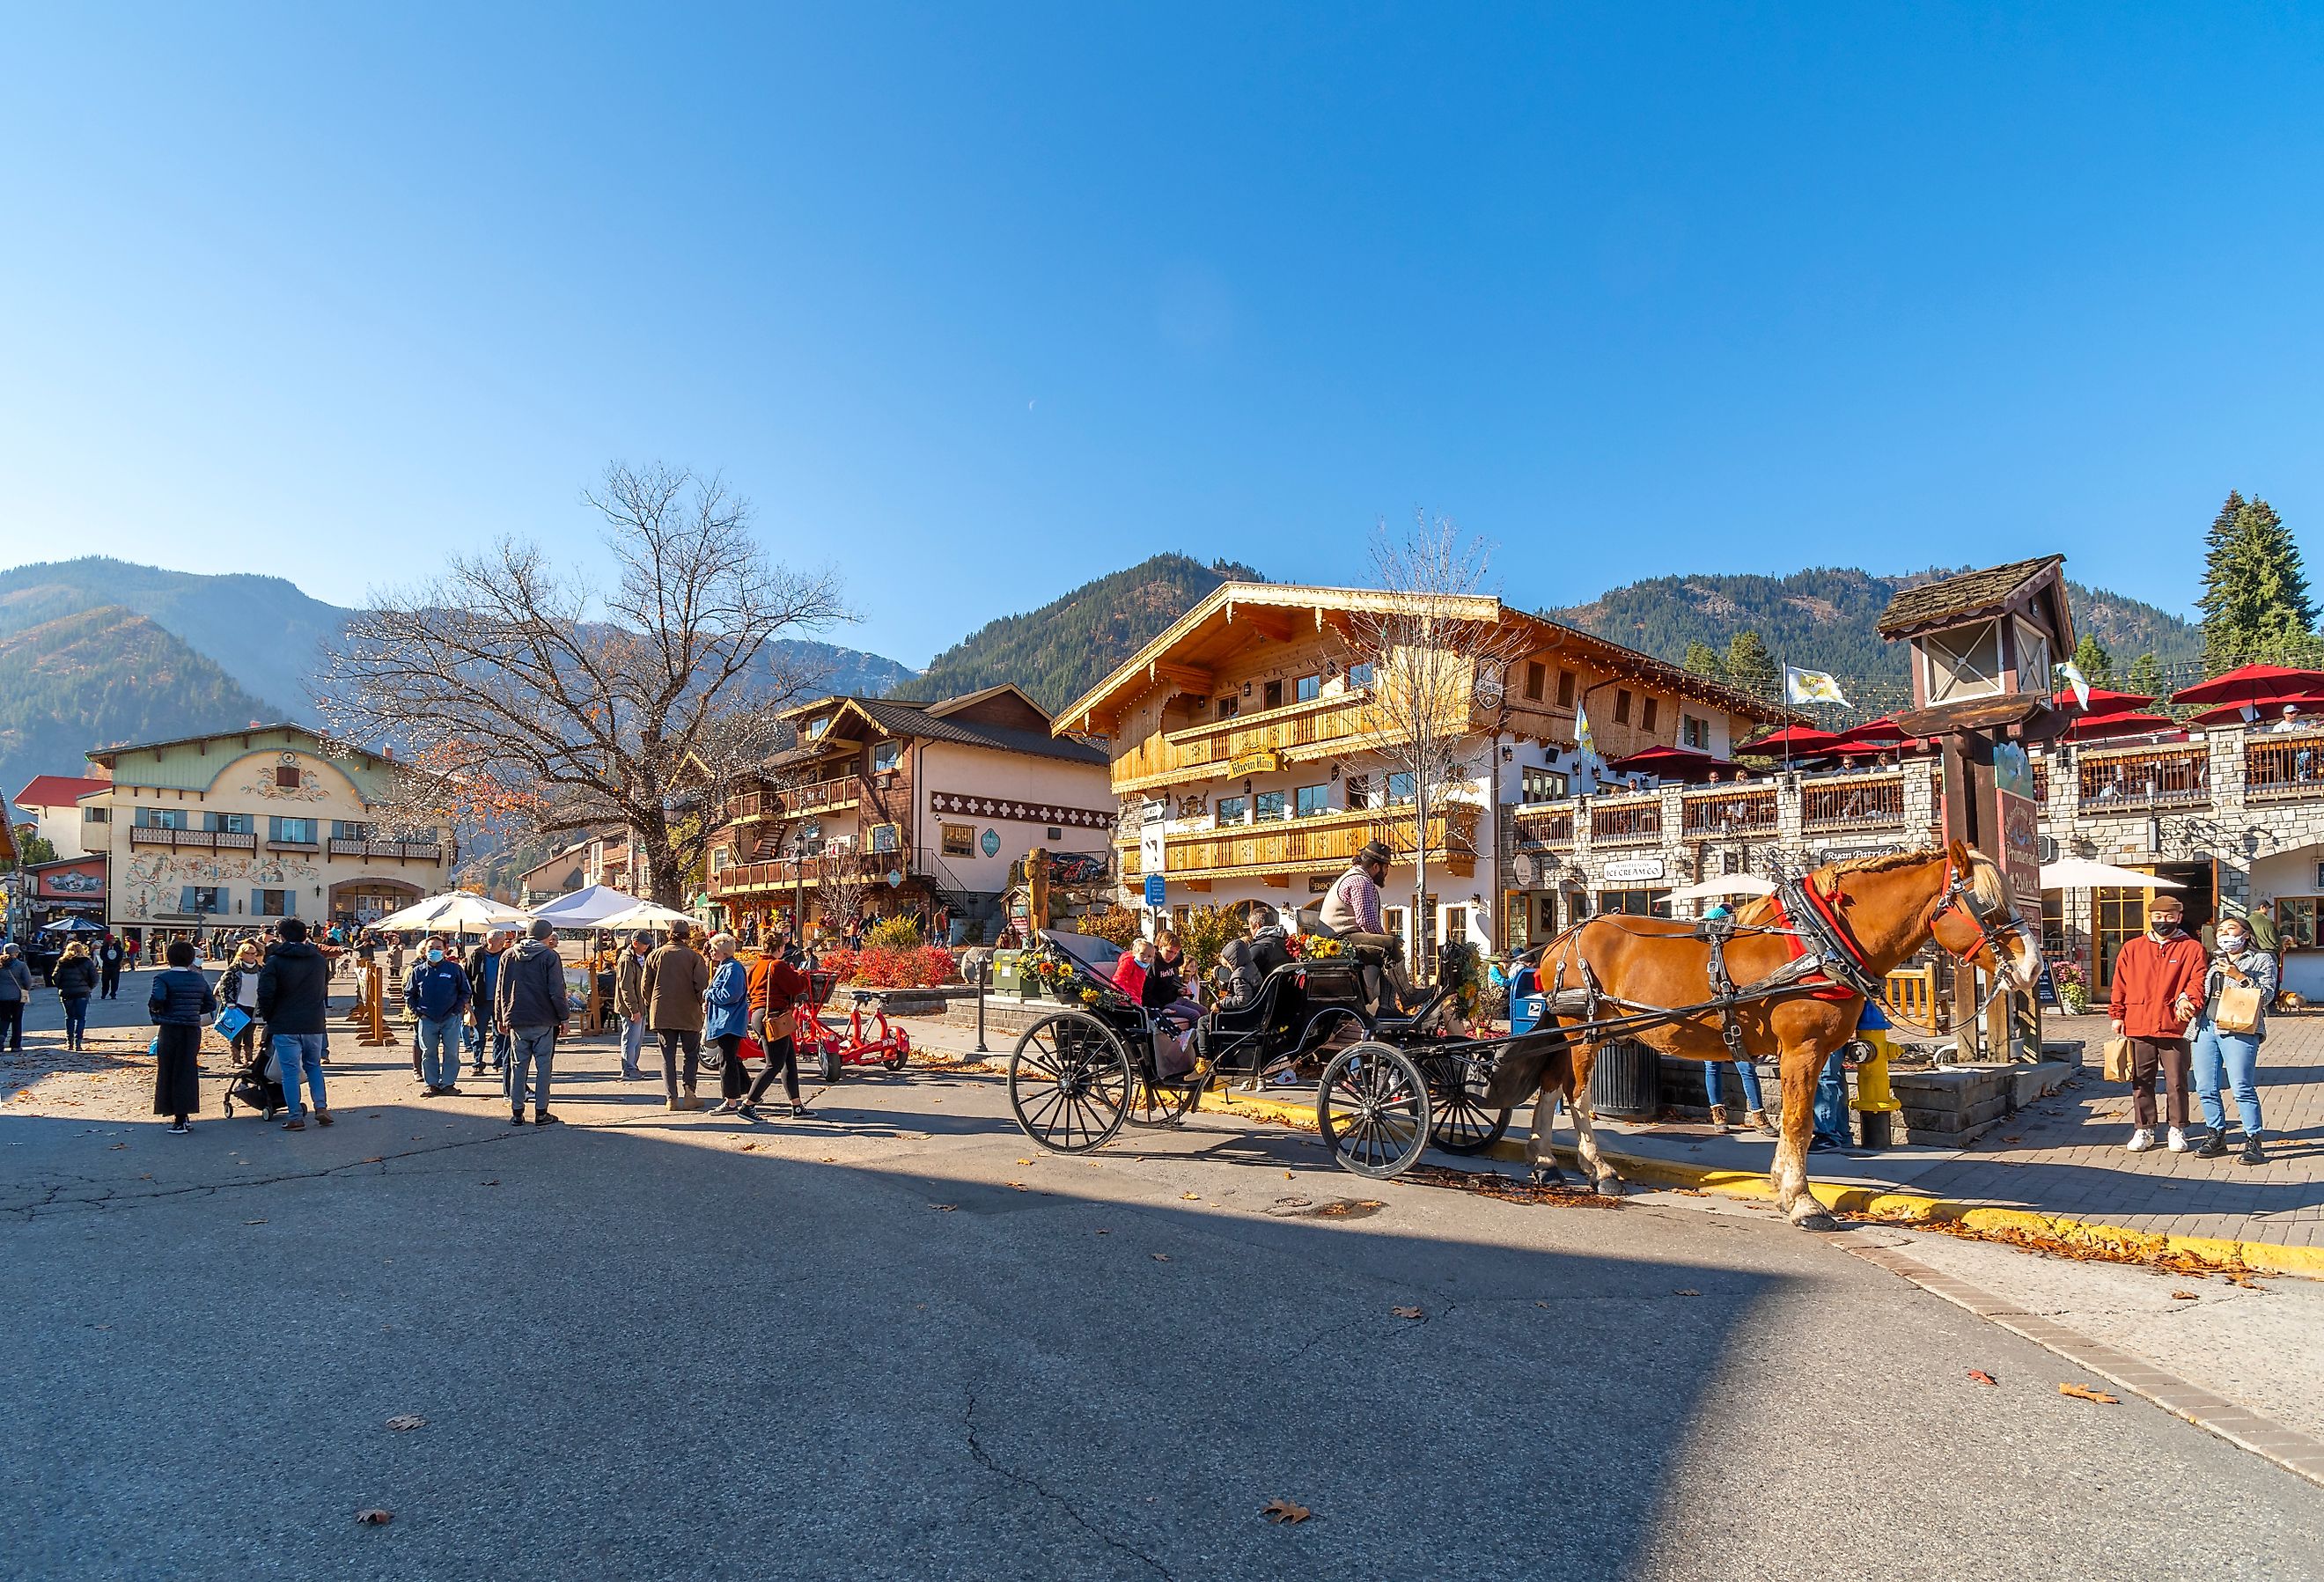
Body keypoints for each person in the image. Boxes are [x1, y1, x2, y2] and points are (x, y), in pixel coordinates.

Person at [2107, 894, 2208, 1153]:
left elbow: (2198, 981)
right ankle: (2144, 1129)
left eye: (2169, 917)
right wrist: (2117, 1014)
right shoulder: (2132, 948)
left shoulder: (2192, 948)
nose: (2163, 922)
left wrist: (2191, 1003)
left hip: (2175, 1024)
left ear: (2179, 918)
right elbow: (2120, 984)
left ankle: (2177, 1128)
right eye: (2158, 917)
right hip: (2139, 1022)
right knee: (2141, 1080)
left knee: (2177, 1080)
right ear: (2150, 917)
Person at [2189, 915, 2276, 1166]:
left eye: (2232, 929)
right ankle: (2215, 1135)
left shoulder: (2262, 959)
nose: (2226, 935)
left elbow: (2268, 995)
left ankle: (2253, 1140)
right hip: (2206, 1025)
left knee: (2241, 1086)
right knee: (2205, 1085)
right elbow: (2200, 990)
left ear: (2246, 934)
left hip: (2239, 1027)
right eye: (2221, 932)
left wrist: (2239, 976)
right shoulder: (2212, 960)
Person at [1697, 903, 1774, 1134]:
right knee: (1715, 1066)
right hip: (1716, 1017)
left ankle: (1757, 1114)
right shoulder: (1707, 957)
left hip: (1737, 1018)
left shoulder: (1733, 954)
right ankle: (1721, 1114)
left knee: (1744, 1066)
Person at [1317, 841, 1416, 1011]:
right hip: (1340, 939)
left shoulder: (1357, 877)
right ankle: (1406, 997)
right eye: (1387, 868)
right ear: (1377, 866)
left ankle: (1388, 1008)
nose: (1386, 873)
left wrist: (1384, 940)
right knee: (1390, 946)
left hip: (1343, 938)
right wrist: (1386, 940)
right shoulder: (1360, 881)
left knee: (1387, 948)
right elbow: (1366, 921)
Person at [256, 917, 334, 1131]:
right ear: (305, 934)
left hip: (285, 1022)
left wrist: (270, 1017)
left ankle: (295, 1116)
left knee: (290, 1071)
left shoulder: (275, 961)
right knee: (314, 1066)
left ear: (281, 937)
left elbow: (265, 993)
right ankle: (321, 1106)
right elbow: (324, 986)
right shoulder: (318, 960)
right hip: (313, 1021)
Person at [495, 919, 570, 1126]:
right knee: (544, 1066)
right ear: (547, 936)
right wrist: (563, 1017)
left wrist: (500, 1016)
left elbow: (500, 988)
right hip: (543, 1018)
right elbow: (556, 991)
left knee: (518, 1066)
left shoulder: (509, 954)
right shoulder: (549, 956)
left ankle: (517, 1112)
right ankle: (541, 1112)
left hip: (516, 1017)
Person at [742, 929, 813, 1120]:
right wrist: (801, 975)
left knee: (789, 1060)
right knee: (773, 1064)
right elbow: (797, 987)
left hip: (760, 1014)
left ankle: (796, 1106)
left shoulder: (756, 966)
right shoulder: (777, 965)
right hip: (774, 1016)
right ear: (780, 947)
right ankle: (748, 1105)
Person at [146, 939, 216, 1135]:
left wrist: (159, 1012)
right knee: (187, 1069)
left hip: (170, 1027)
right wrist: (193, 1010)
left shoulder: (163, 978)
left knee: (168, 1070)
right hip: (192, 1028)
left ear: (169, 958)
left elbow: (158, 999)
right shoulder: (198, 979)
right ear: (190, 959)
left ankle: (175, 1116)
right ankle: (184, 1115)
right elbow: (210, 1004)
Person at [644, 920, 710, 1112]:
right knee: (690, 1055)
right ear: (687, 937)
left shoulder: (655, 955)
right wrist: (700, 1004)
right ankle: (689, 1094)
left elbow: (645, 986)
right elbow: (701, 986)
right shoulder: (693, 957)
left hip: (663, 1012)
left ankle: (671, 1098)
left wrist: (654, 1004)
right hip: (689, 1012)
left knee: (668, 1057)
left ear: (669, 934)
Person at [404, 932, 473, 1096]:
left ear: (445, 950)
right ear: (424, 951)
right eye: (431, 948)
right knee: (428, 1053)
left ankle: (448, 1084)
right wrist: (417, 1012)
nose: (434, 951)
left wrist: (456, 1010)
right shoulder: (417, 971)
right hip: (427, 1019)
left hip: (450, 1018)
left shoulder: (454, 969)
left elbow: (465, 991)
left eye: (438, 948)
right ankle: (431, 1084)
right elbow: (409, 993)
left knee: (451, 1053)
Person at [704, 933, 754, 1113]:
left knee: (727, 1060)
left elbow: (730, 995)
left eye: (714, 949)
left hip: (728, 1021)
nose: (710, 952)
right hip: (725, 1020)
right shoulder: (726, 966)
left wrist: (708, 994)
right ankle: (749, 1091)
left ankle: (731, 1101)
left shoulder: (732, 969)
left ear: (723, 952)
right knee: (732, 1058)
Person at [466, 929, 514, 1077]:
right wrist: (467, 1001)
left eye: (504, 940)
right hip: (481, 1001)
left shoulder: (506, 955)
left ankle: (498, 1062)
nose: (504, 942)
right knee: (479, 1034)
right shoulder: (477, 955)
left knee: (500, 1032)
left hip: (500, 1002)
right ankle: (477, 1063)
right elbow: (468, 977)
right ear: (490, 941)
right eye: (501, 940)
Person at [613, 931, 654, 1079]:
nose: (647, 947)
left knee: (637, 1039)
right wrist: (633, 1009)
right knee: (631, 1038)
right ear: (635, 943)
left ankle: (633, 1066)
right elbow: (626, 987)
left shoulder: (641, 957)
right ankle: (628, 1069)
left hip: (640, 1005)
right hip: (631, 1007)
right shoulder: (626, 960)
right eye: (645, 944)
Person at [218, 939, 265, 1067]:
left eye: (254, 953)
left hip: (254, 1006)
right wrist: (229, 1003)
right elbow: (225, 986)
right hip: (238, 1006)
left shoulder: (261, 970)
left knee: (250, 1033)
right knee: (237, 1033)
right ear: (242, 954)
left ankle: (249, 1058)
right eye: (249, 953)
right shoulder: (234, 969)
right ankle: (236, 1059)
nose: (252, 956)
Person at [53, 941, 99, 1052]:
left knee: (69, 1017)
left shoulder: (62, 962)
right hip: (82, 992)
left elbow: (55, 977)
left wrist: (62, 986)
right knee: (81, 1018)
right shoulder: (87, 962)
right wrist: (88, 987)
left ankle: (70, 1042)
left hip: (67, 992)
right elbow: (95, 978)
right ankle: (78, 1042)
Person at [0, 943, 30, 1053]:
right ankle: (16, 1045)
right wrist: (25, 990)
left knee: (4, 1019)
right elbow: (28, 981)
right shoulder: (21, 965)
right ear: (16, 953)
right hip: (17, 997)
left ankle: (1, 1036)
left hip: (2, 997)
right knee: (17, 1020)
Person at [1113, 938, 1152, 1002]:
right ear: (1134, 953)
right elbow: (1118, 981)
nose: (1145, 958)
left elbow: (1138, 990)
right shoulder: (1129, 962)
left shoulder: (1141, 968)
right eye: (1142, 954)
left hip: (1134, 1000)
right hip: (1126, 1000)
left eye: (1149, 956)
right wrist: (1128, 997)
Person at [97, 932, 126, 1000]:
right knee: (105, 981)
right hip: (106, 967)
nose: (113, 940)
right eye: (112, 939)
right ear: (108, 940)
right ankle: (104, 994)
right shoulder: (104, 947)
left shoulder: (118, 947)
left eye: (113, 938)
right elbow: (102, 956)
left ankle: (113, 994)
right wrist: (108, 961)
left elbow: (120, 956)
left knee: (115, 981)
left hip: (115, 967)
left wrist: (116, 962)